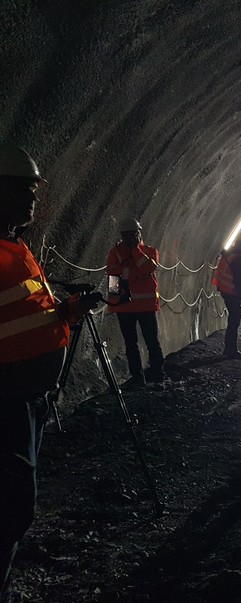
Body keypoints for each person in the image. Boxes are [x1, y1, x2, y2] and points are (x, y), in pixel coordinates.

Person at [0, 144, 99, 601]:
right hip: (5, 404)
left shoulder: (16, 249)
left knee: (15, 508)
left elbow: (34, 313)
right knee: (10, 508)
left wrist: (73, 310)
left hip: (29, 401)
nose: (34, 199)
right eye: (24, 188)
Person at [105, 217, 164, 386]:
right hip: (125, 307)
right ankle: (138, 378)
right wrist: (114, 304)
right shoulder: (115, 253)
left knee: (152, 342)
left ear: (139, 233)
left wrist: (135, 251)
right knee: (131, 345)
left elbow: (148, 268)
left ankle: (158, 375)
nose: (130, 238)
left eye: (133, 234)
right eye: (127, 235)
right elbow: (113, 276)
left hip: (146, 307)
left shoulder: (150, 251)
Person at [212, 231, 241, 359]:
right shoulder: (237, 259)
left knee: (233, 320)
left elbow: (234, 275)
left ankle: (229, 349)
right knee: (234, 322)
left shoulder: (227, 255)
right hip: (232, 293)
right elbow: (236, 281)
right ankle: (231, 351)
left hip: (225, 290)